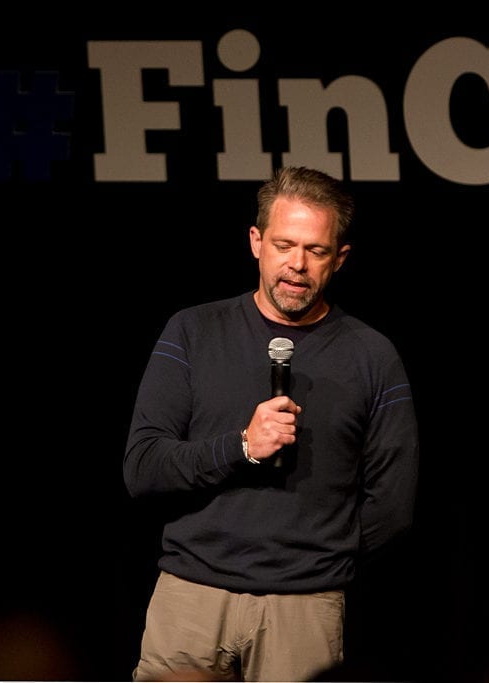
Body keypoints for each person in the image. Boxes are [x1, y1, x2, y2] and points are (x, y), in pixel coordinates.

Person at [123, 166, 420, 682]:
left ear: (340, 258)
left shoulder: (371, 355)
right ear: (256, 242)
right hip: (192, 597)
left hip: (304, 607)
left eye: (316, 251)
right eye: (284, 245)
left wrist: (314, 563)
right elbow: (144, 468)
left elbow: (391, 505)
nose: (297, 265)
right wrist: (240, 445)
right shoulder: (194, 331)